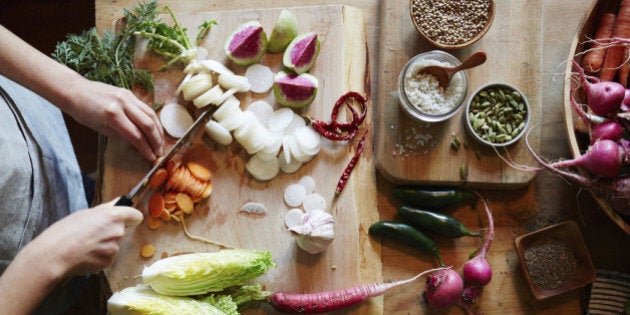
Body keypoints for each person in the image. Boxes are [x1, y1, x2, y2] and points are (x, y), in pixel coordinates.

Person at [0, 23, 165, 314]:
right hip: (22, 267)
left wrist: (72, 88)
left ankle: (87, 190)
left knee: (82, 189)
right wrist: (52, 258)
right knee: (87, 283)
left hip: (24, 128)